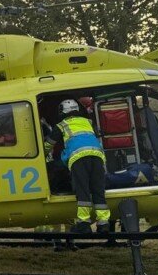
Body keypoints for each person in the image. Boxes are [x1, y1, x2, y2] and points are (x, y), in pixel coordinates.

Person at [46, 98, 111, 234]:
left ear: (62, 111)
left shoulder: (61, 125)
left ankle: (84, 223)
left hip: (79, 158)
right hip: (97, 156)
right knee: (98, 190)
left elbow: (48, 144)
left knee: (83, 190)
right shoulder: (88, 122)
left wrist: (42, 153)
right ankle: (103, 224)